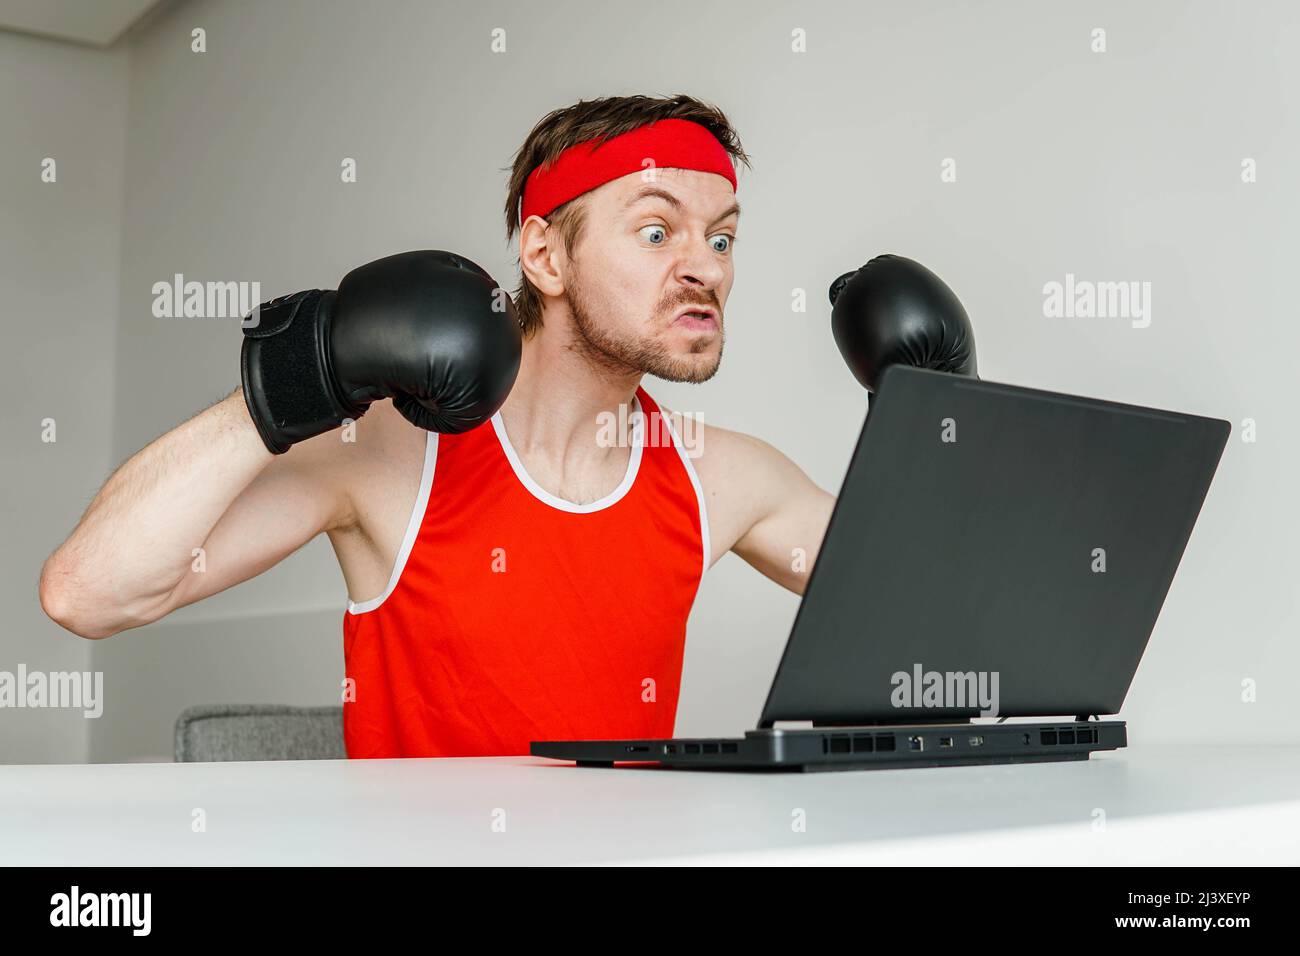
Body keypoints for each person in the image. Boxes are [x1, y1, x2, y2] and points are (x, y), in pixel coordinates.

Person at [38, 94, 975, 757]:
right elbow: (88, 593)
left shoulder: (718, 477)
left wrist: (942, 416)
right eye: (658, 231)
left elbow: (941, 630)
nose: (707, 269)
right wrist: (296, 375)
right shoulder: (392, 456)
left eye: (722, 237)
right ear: (544, 254)